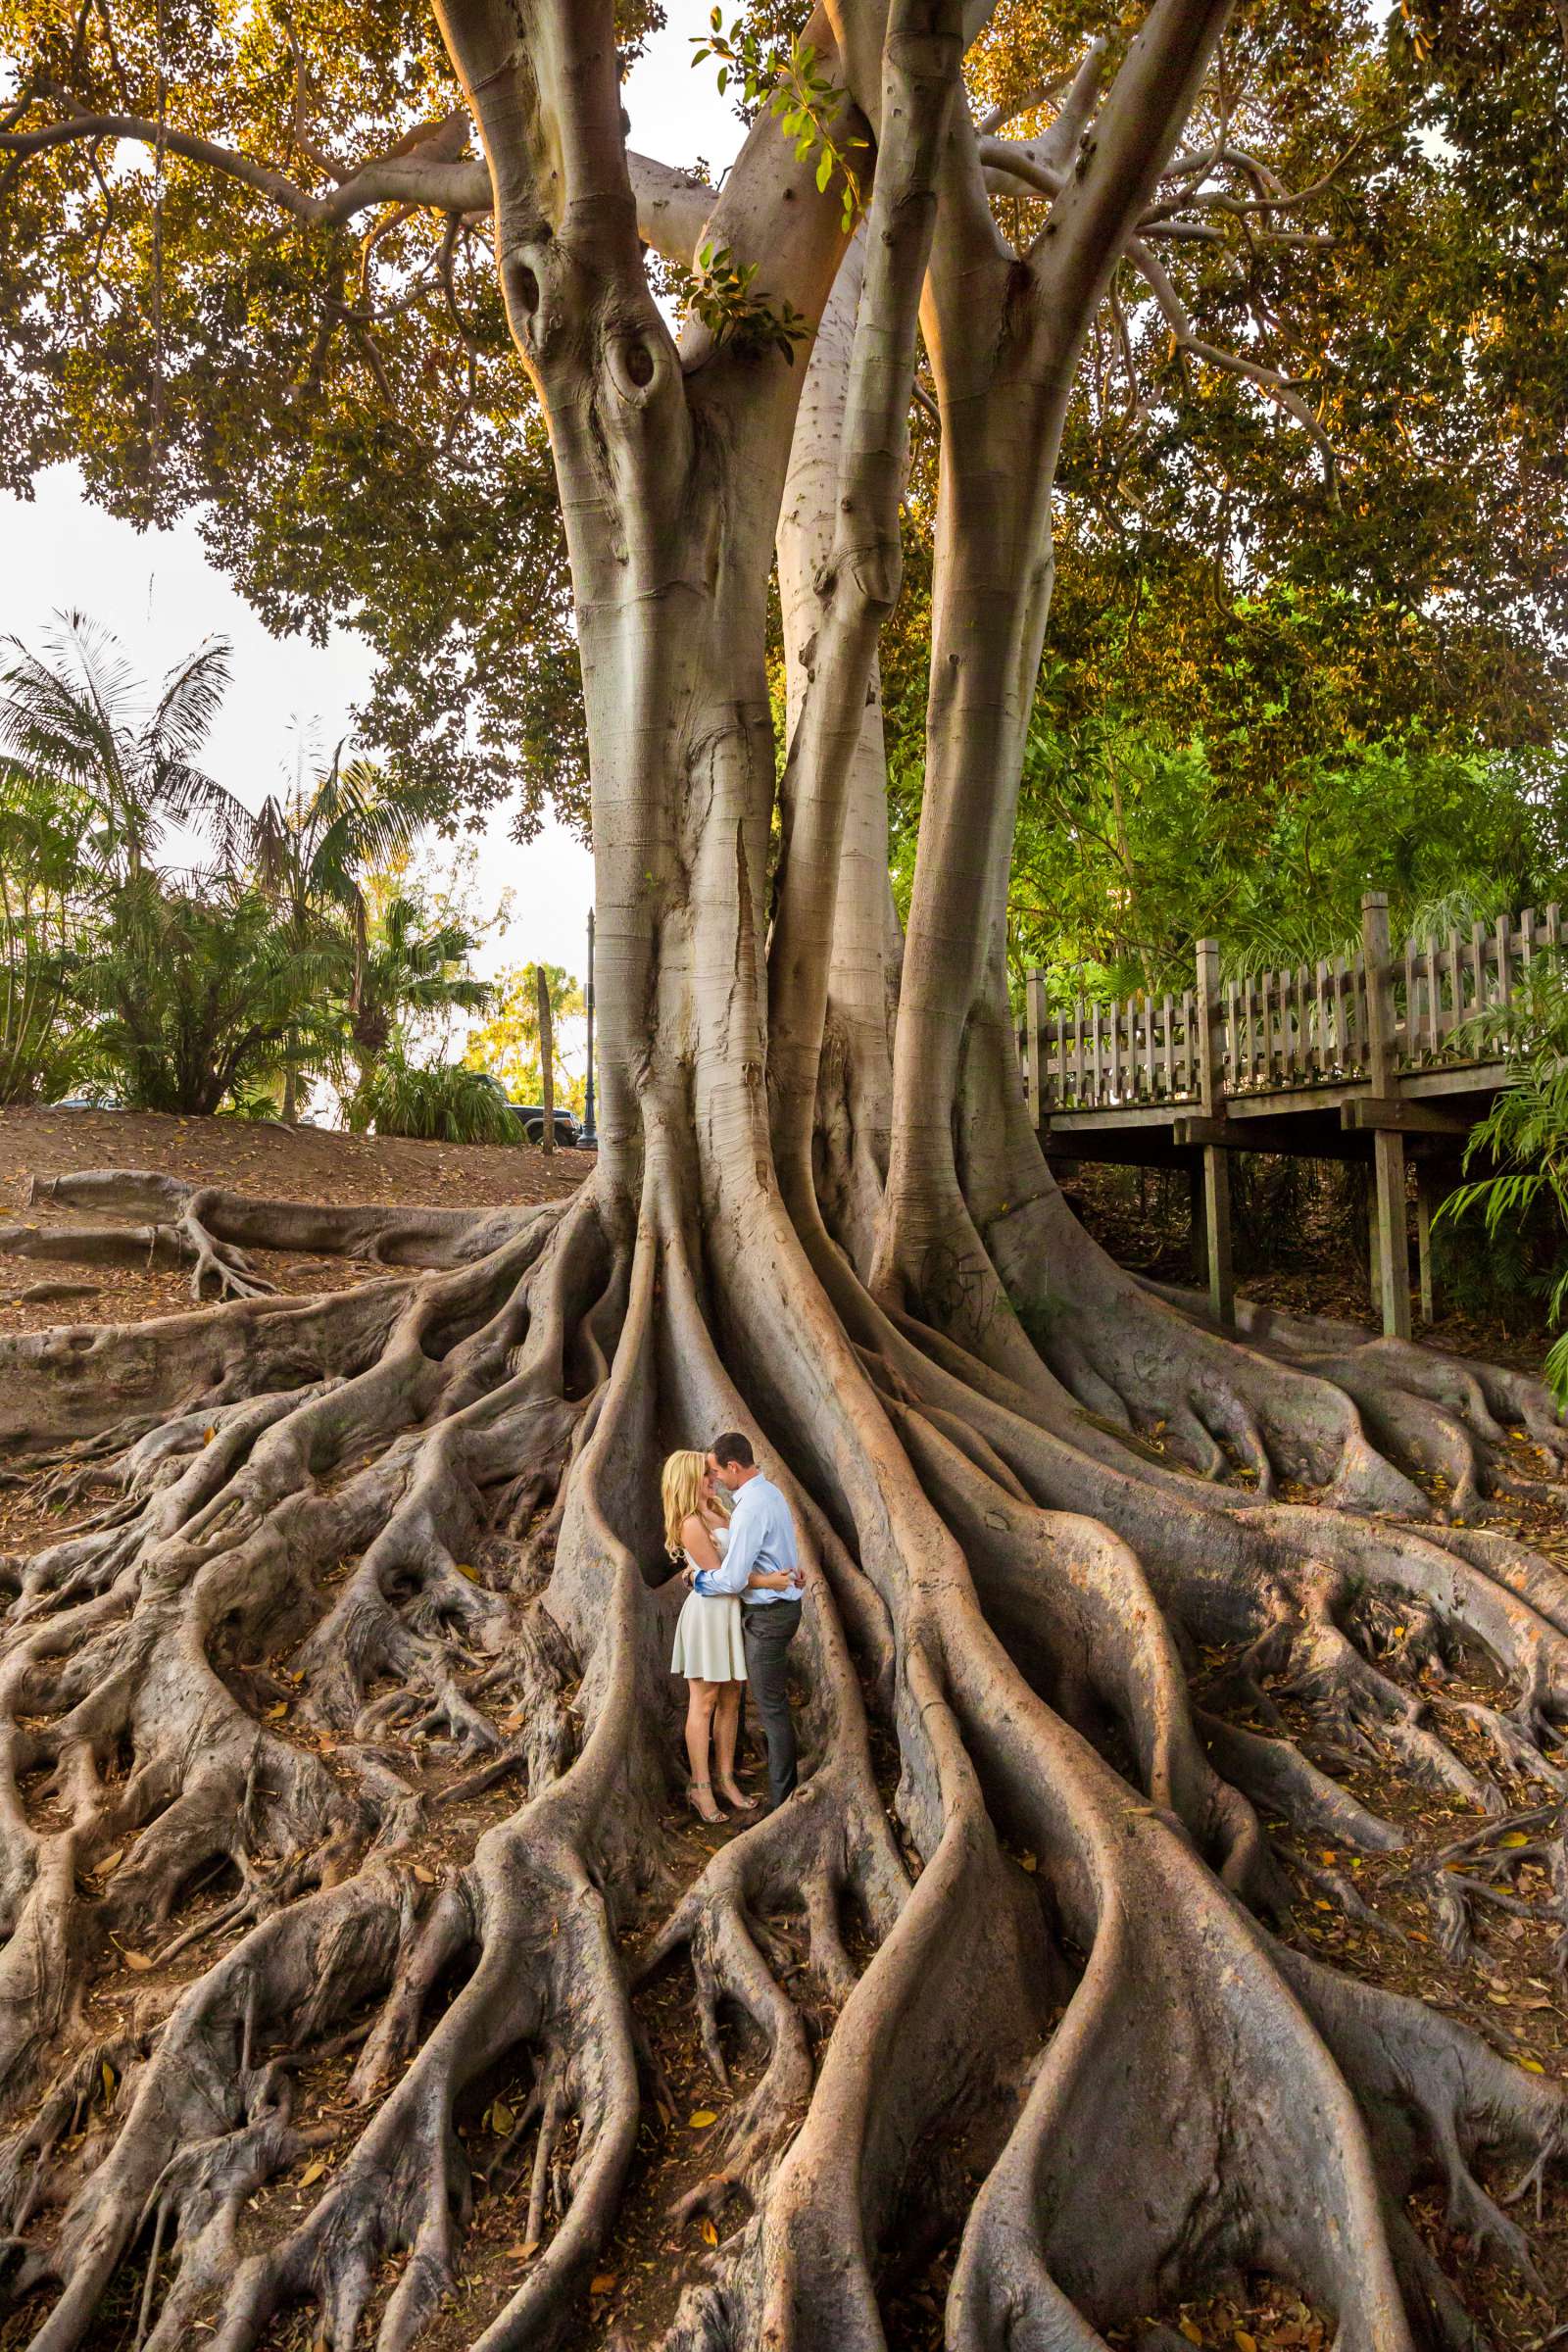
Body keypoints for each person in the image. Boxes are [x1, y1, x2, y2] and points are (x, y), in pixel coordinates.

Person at [691, 1432, 804, 1809]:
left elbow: (733, 1578)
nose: (716, 1478)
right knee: (746, 1698)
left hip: (769, 1615)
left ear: (734, 1467)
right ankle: (735, 1773)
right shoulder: (769, 1493)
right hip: (775, 1608)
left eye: (717, 1471)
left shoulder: (750, 1508)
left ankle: (782, 1799)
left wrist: (697, 1579)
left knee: (771, 1707)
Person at [662, 1448, 758, 1824]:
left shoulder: (721, 1512)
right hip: (709, 1614)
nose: (713, 1477)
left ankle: (726, 1778)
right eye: (705, 1474)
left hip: (732, 1613)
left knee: (732, 1699)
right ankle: (700, 1787)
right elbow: (720, 1576)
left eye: (712, 1472)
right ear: (688, 1479)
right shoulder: (690, 1522)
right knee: (704, 1701)